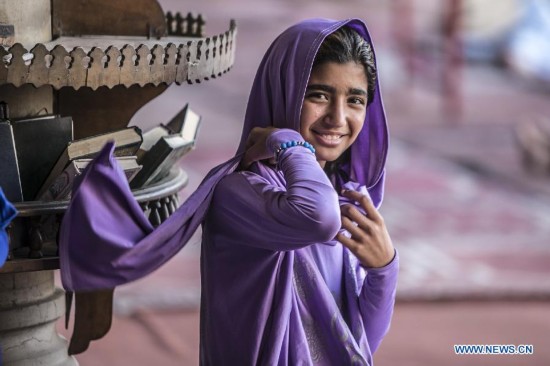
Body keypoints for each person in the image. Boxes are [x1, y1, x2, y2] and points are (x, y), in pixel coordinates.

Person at [60, 18, 398, 365]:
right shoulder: (240, 193)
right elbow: (318, 218)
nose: (337, 117)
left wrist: (383, 269)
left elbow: (357, 345)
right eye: (319, 95)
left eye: (355, 100)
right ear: (285, 91)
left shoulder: (343, 197)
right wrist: (284, 140)